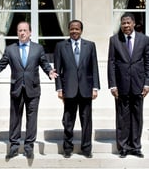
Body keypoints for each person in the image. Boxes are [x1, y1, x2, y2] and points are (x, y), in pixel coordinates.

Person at [0, 21, 57, 159]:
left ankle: (29, 147)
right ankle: (14, 147)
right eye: (19, 30)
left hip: (33, 89)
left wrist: (50, 72)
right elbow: (2, 64)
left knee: (31, 119)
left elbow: (44, 63)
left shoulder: (38, 48)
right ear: (17, 33)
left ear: (30, 32)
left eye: (25, 30)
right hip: (16, 89)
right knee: (15, 118)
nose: (22, 33)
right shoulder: (10, 49)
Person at [54, 19, 100, 159]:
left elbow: (94, 68)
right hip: (69, 89)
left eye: (77, 29)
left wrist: (95, 87)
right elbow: (57, 70)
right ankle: (67, 148)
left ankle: (86, 149)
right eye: (72, 29)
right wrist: (59, 89)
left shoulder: (90, 46)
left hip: (86, 89)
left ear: (81, 30)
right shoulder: (61, 46)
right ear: (69, 30)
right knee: (68, 121)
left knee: (87, 121)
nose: (74, 31)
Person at [108, 12, 149, 158]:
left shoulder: (144, 39)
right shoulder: (114, 40)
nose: (125, 26)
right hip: (121, 86)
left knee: (137, 116)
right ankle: (123, 147)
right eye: (123, 23)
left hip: (139, 84)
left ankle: (136, 147)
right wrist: (113, 85)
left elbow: (147, 62)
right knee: (122, 117)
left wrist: (147, 83)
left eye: (128, 23)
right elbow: (111, 63)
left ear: (133, 24)